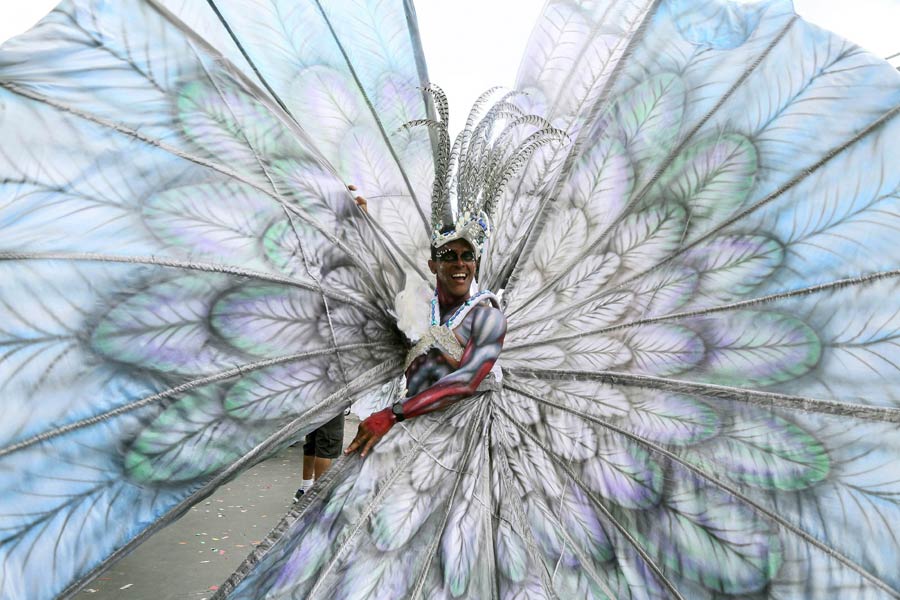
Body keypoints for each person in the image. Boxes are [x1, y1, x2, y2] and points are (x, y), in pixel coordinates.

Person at [344, 232, 507, 458]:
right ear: (433, 265)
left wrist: (392, 414)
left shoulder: (487, 318)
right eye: (449, 256)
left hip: (456, 448)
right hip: (407, 435)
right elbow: (372, 284)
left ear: (475, 263)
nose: (460, 263)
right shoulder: (415, 311)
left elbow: (466, 381)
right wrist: (357, 227)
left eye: (467, 256)